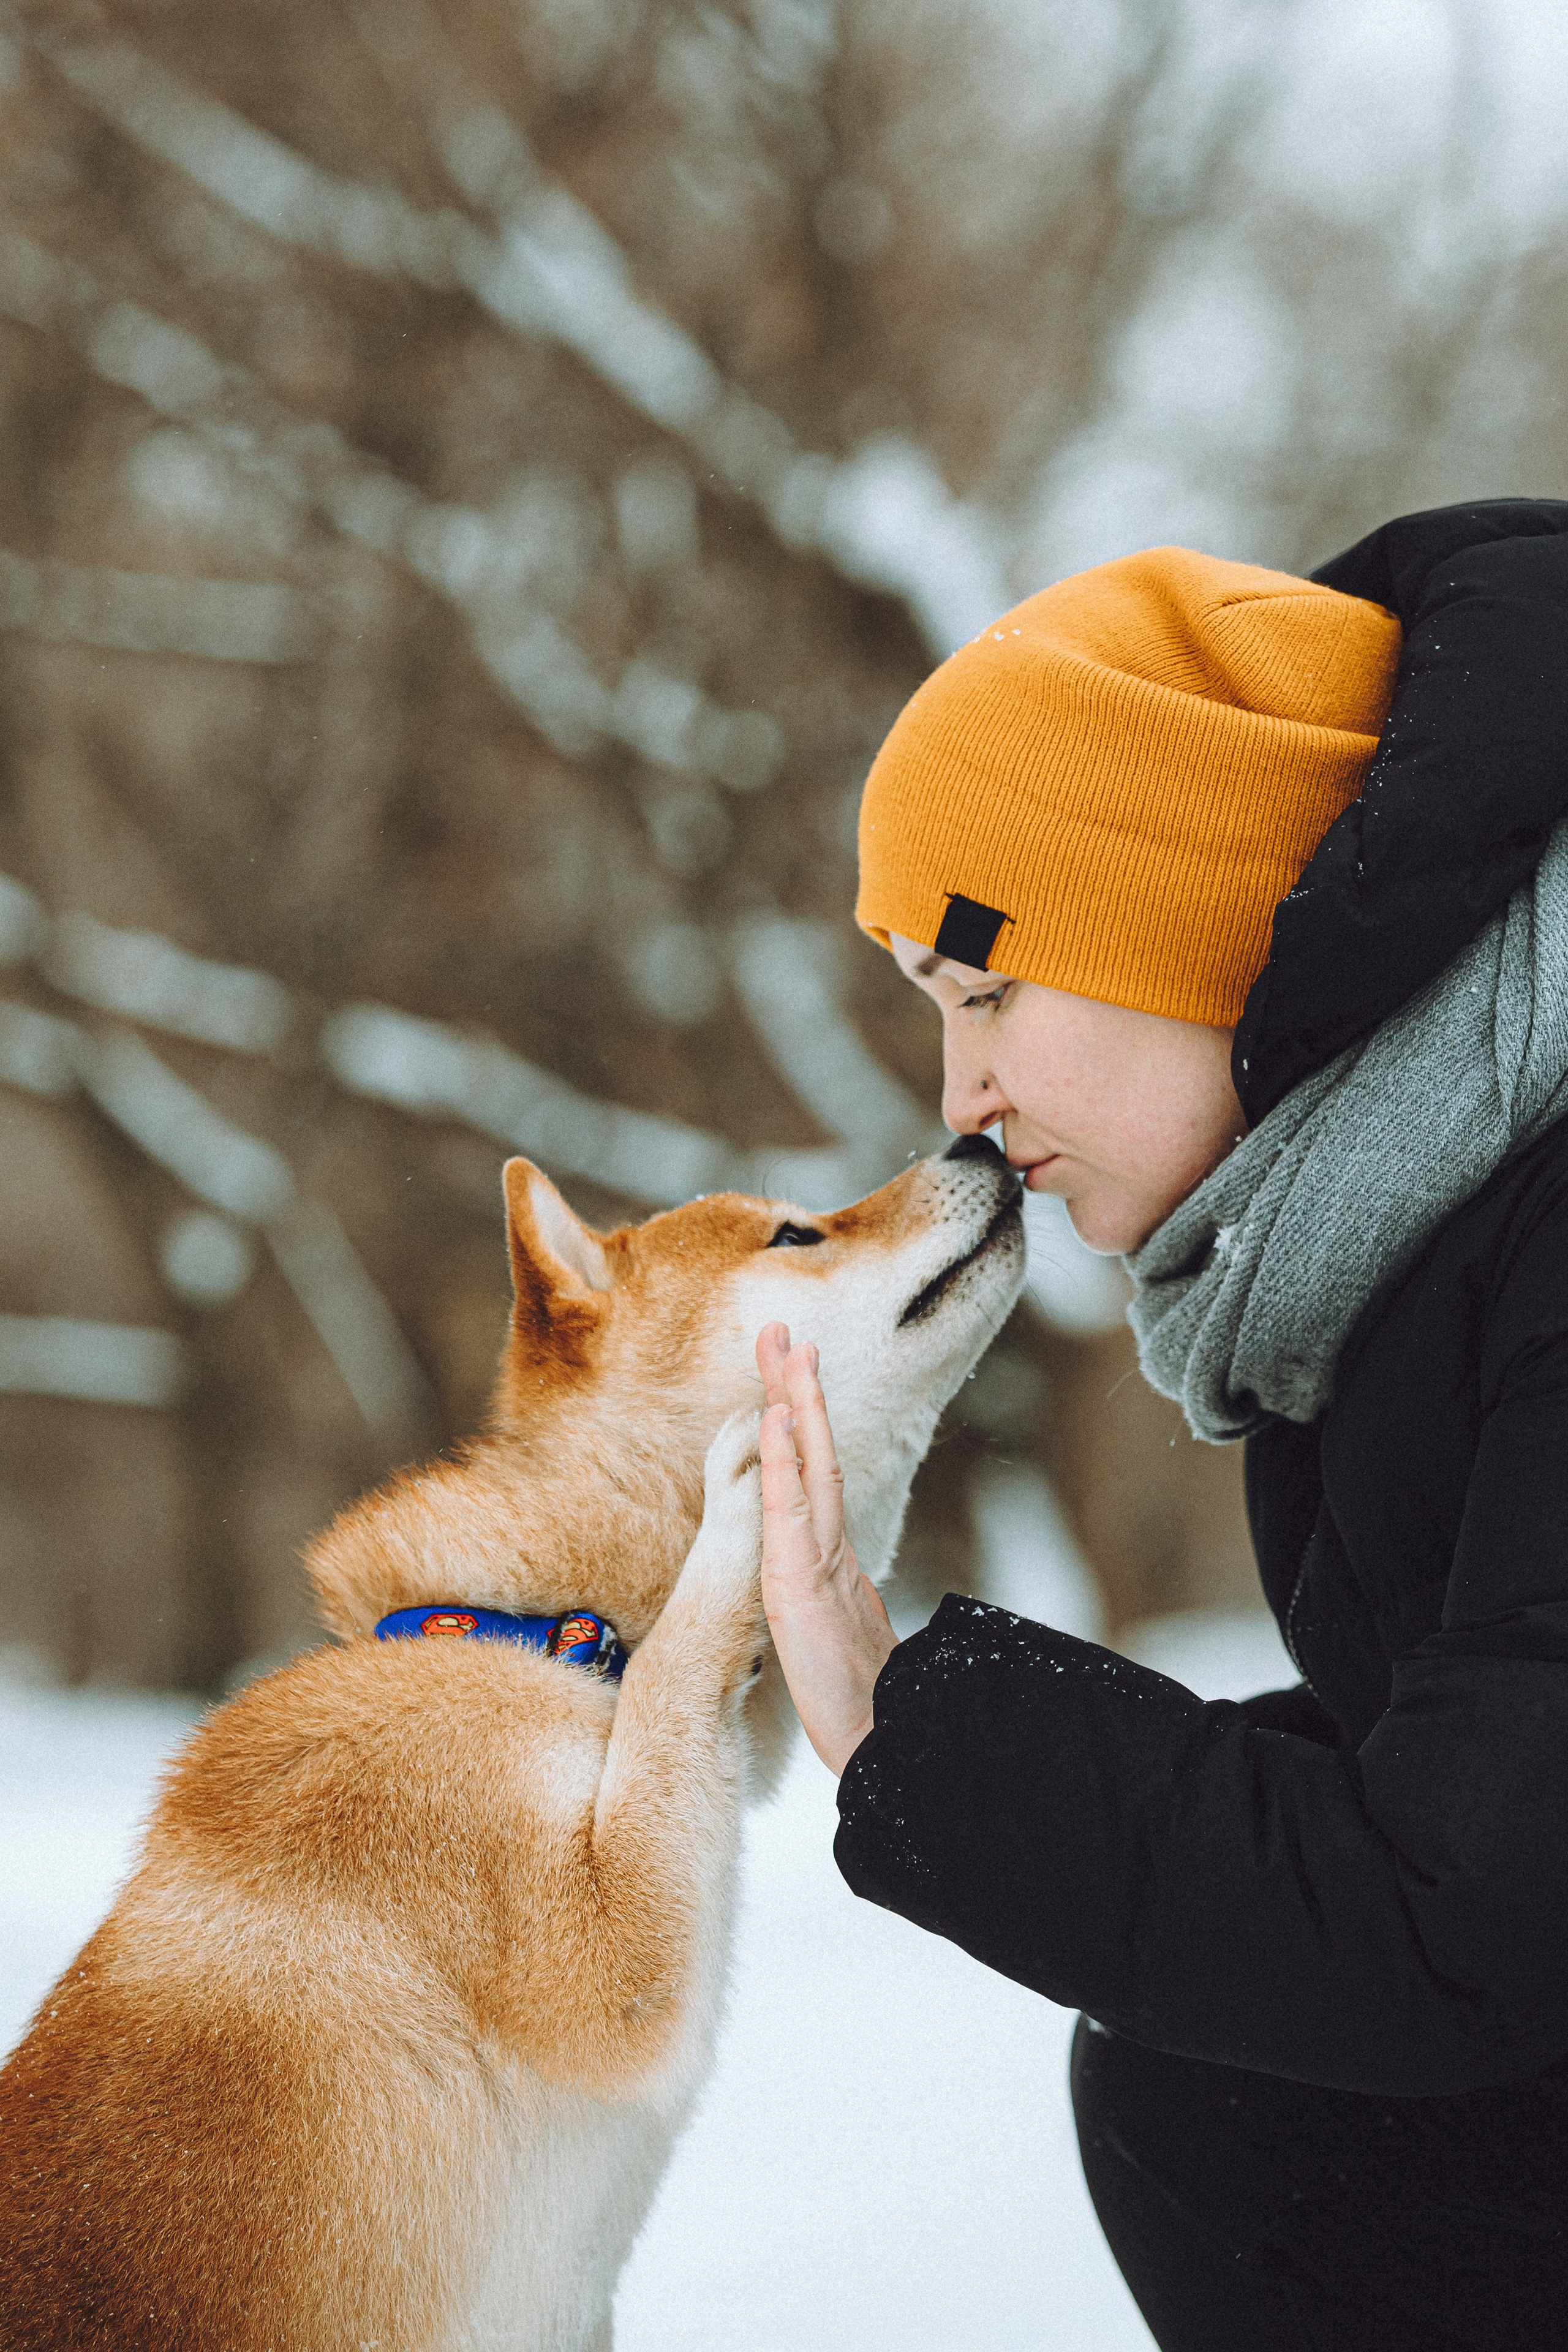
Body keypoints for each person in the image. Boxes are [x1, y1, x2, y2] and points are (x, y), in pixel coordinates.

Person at [755, 502, 1568, 2352]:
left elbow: (1471, 1919)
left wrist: (913, 1725)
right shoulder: (1406, 1234)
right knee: (1233, 2098)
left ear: (1203, 928)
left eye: (992, 991)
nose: (963, 1098)